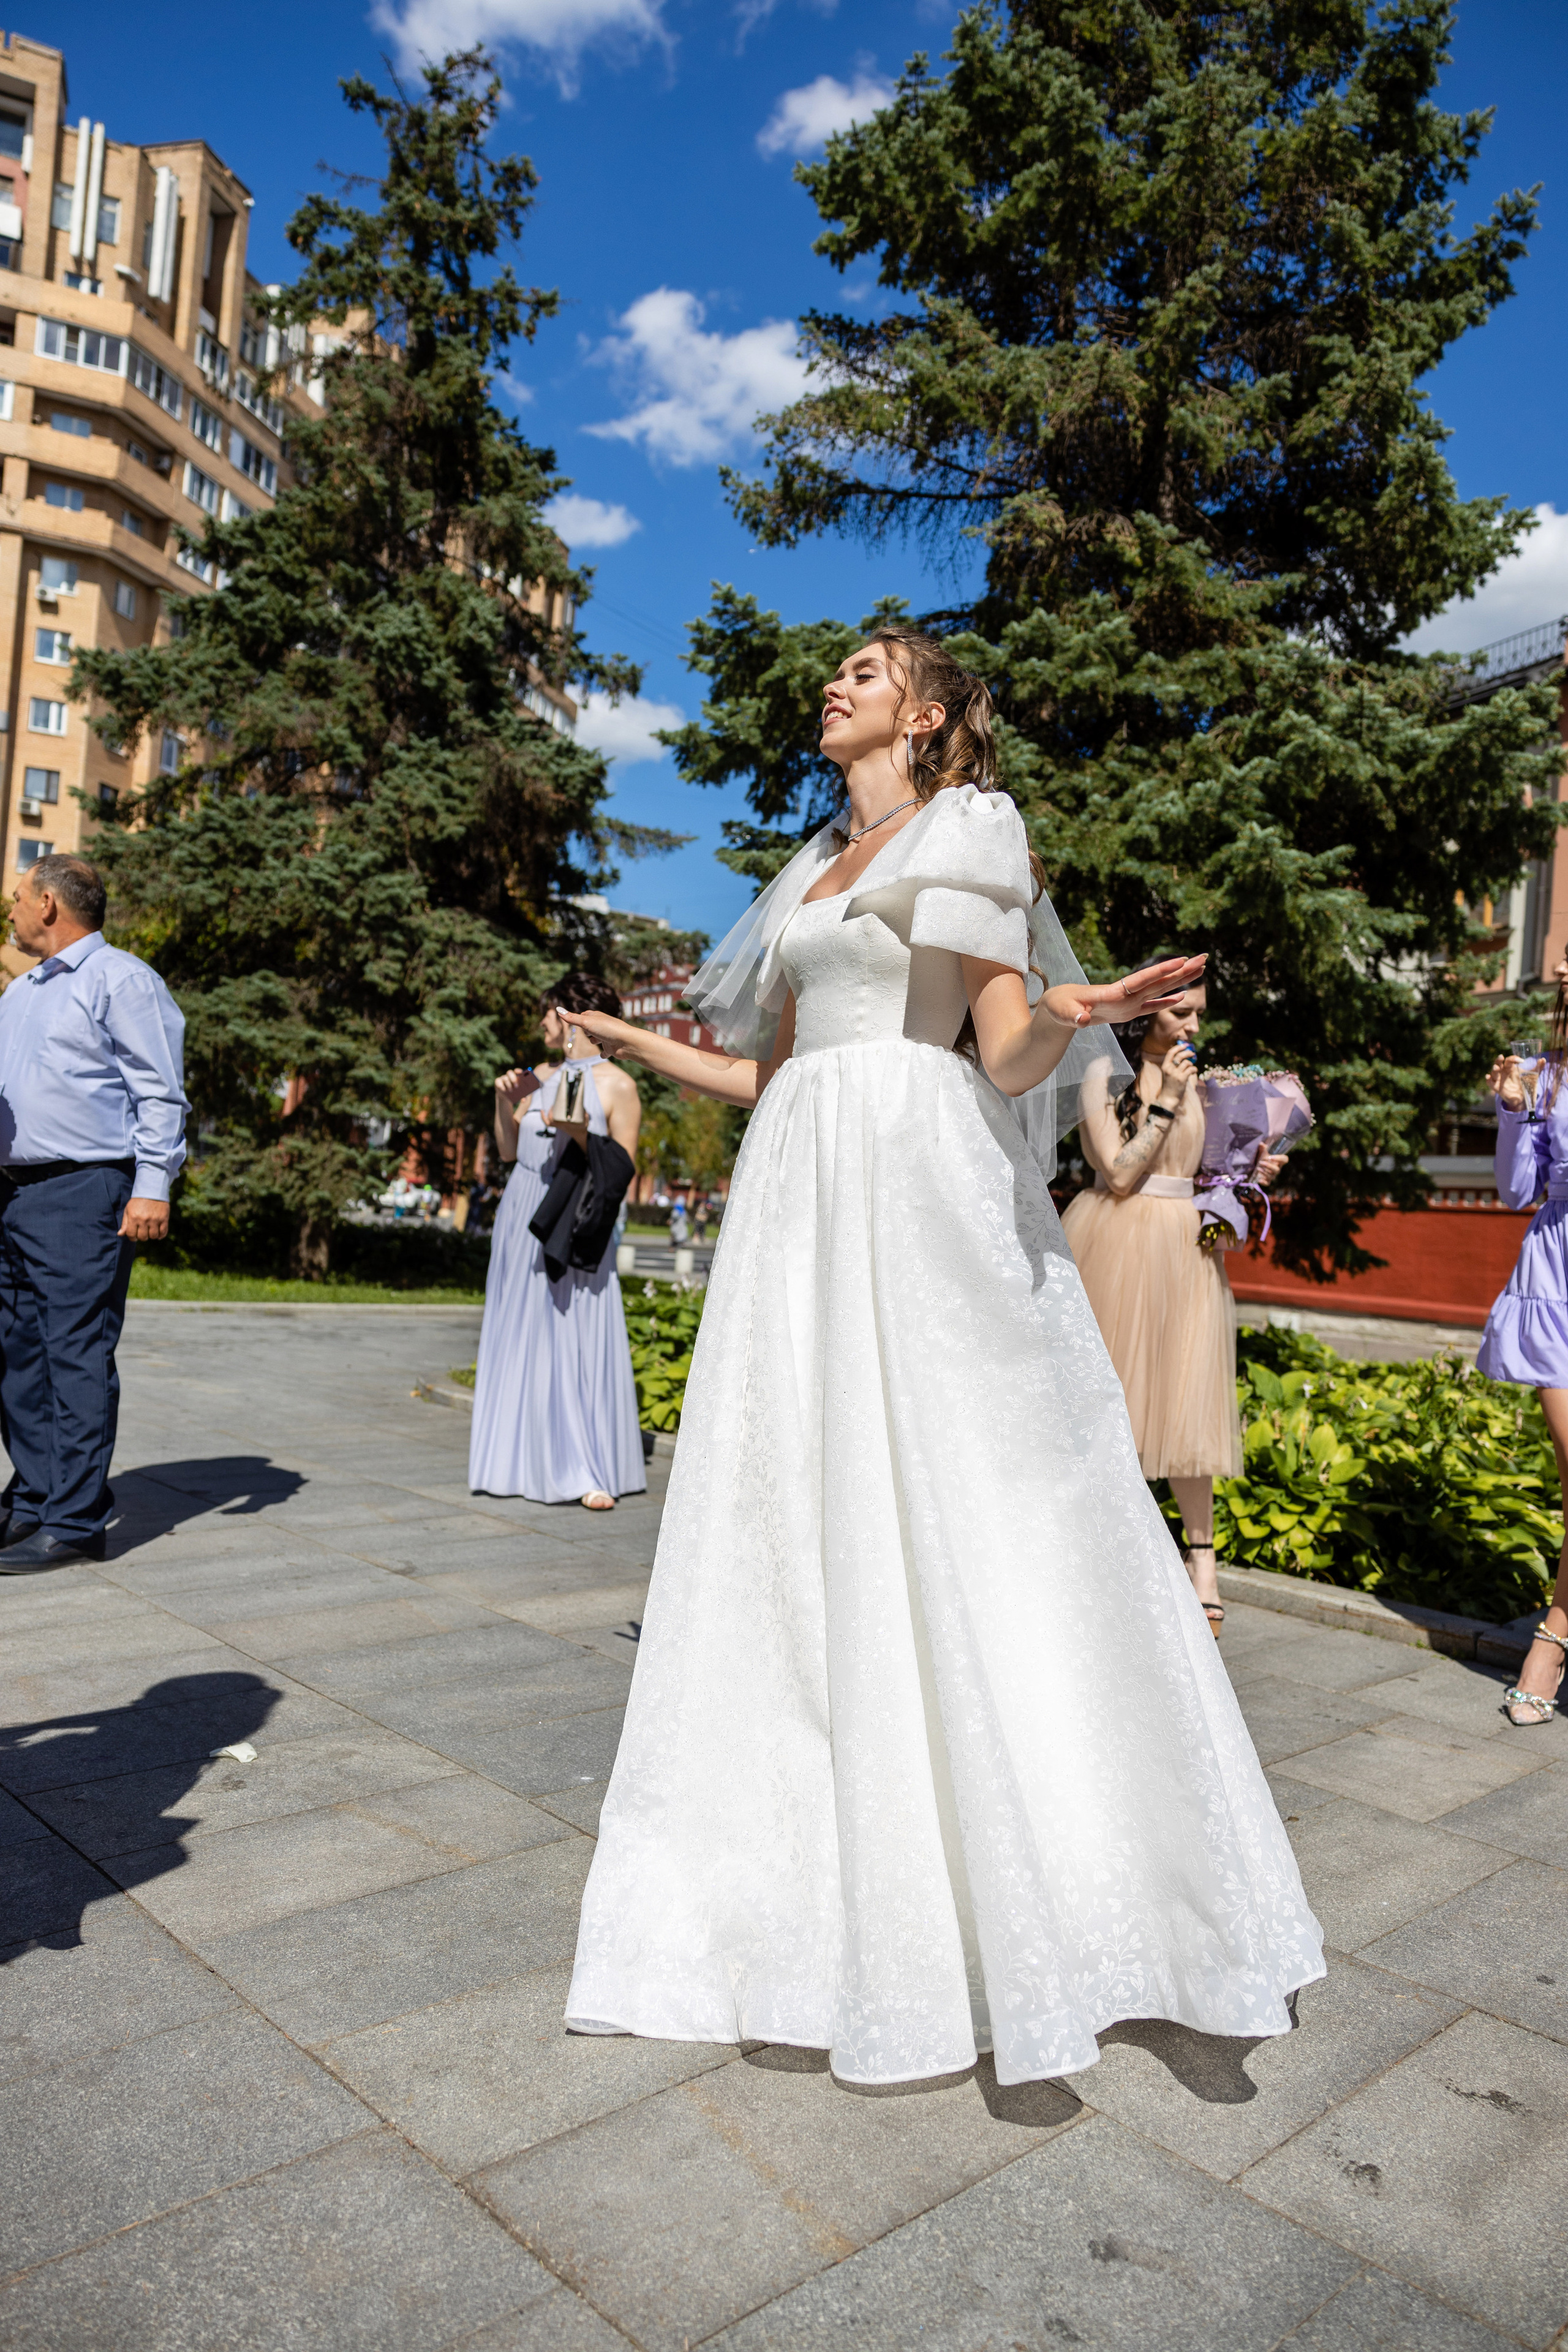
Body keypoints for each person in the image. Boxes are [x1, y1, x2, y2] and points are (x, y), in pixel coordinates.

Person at [561, 630, 1322, 2088]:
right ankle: (799, 1872)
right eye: (835, 672)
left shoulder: (968, 827)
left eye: (864, 670)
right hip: (799, 1180)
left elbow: (1005, 1048)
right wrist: (628, 1041)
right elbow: (770, 1072)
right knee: (792, 1496)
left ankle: (1045, 1865)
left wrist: (1079, 1011)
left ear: (919, 713)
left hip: (912, 1167)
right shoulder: (810, 871)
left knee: (968, 1481)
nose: (833, 684)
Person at [1060, 980, 1285, 1630]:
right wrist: (1166, 1099)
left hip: (1187, 1250)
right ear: (1145, 1011)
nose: (1192, 1026)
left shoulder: (1204, 1084)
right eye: (1180, 1012)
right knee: (1114, 1402)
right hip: (1117, 1242)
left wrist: (1249, 1178)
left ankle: (1202, 1564)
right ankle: (1102, 1551)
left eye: (1199, 1015)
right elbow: (1118, 1173)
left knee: (1189, 1401)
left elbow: (1204, 1175)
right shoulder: (1103, 1074)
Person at [0, 854, 187, 1573]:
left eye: (18, 898)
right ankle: (34, 1497)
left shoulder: (122, 980)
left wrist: (153, 1185)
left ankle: (76, 1521)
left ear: (49, 904)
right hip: (12, 1192)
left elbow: (159, 1092)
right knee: (18, 1353)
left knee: (74, 1352)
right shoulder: (22, 992)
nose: (12, 910)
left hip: (84, 1190)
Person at [469, 973, 645, 1512]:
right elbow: (508, 1151)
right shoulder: (537, 1075)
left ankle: (580, 1465)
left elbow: (623, 1171)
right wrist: (504, 1102)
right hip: (521, 1210)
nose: (542, 1021)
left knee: (568, 1333)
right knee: (518, 1330)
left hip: (573, 1214)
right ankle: (512, 1461)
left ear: (572, 1017)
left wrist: (578, 1132)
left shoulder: (618, 1084)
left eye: (549, 1011)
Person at [1476, 961, 1568, 1723]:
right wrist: (1513, 1111)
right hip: (1557, 1277)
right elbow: (1515, 1191)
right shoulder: (1544, 1075)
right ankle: (1555, 1639)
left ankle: (1553, 1637)